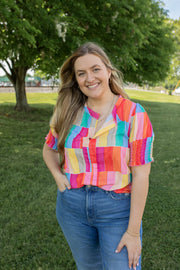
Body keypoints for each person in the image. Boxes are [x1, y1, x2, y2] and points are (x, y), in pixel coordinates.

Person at [43, 42, 154, 270]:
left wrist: (133, 232)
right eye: (81, 73)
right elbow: (49, 148)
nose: (89, 78)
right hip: (72, 207)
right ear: (75, 79)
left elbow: (141, 175)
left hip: (117, 210)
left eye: (95, 69)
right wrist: (57, 175)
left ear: (108, 71)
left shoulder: (134, 114)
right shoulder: (68, 110)